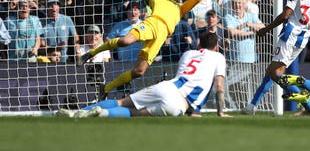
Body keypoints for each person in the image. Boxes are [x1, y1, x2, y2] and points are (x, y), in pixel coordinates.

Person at [77, 0, 206, 99]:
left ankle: (106, 88)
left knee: (139, 71)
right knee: (125, 41)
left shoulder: (181, 8)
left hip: (161, 36)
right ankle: (91, 53)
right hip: (153, 23)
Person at [58, 32, 229, 118]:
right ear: (216, 47)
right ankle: (102, 113)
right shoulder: (218, 57)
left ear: (199, 43)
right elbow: (219, 86)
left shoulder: (188, 54)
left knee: (120, 101)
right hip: (177, 105)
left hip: (166, 87)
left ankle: (77, 113)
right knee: (132, 112)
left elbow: (186, 79)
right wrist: (220, 112)